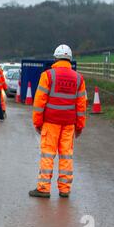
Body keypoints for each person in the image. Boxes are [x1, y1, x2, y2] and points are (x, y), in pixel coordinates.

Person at [29, 44, 87, 198]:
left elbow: (39, 101)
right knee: (66, 156)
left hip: (51, 122)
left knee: (48, 155)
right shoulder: (79, 78)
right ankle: (65, 189)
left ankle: (43, 188)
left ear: (55, 58)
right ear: (70, 59)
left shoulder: (48, 75)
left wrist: (37, 122)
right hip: (69, 124)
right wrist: (80, 126)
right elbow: (81, 105)